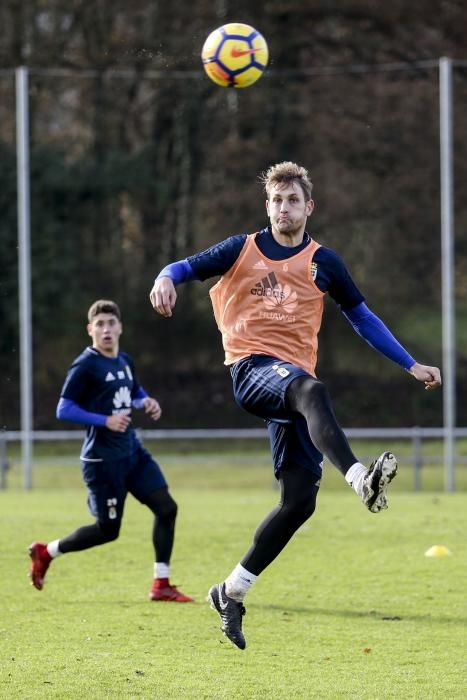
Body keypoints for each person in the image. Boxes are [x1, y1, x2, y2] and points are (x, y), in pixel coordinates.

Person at [149, 161, 441, 648]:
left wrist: (410, 364)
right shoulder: (241, 248)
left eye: (293, 200)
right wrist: (164, 277)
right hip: (251, 369)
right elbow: (183, 268)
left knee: (300, 500)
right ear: (268, 207)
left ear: (309, 207)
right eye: (276, 200)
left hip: (290, 384)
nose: (284, 208)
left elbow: (363, 318)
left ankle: (232, 590)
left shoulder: (325, 262)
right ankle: (360, 479)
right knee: (313, 391)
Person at [28, 299, 193, 603]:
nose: (106, 329)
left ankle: (161, 584)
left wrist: (146, 401)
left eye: (111, 323)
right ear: (90, 330)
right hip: (103, 461)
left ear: (120, 328)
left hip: (132, 453)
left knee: (167, 508)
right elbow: (64, 408)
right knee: (108, 530)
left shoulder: (125, 361)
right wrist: (105, 420)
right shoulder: (85, 365)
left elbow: (133, 392)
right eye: (100, 324)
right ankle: (46, 552)